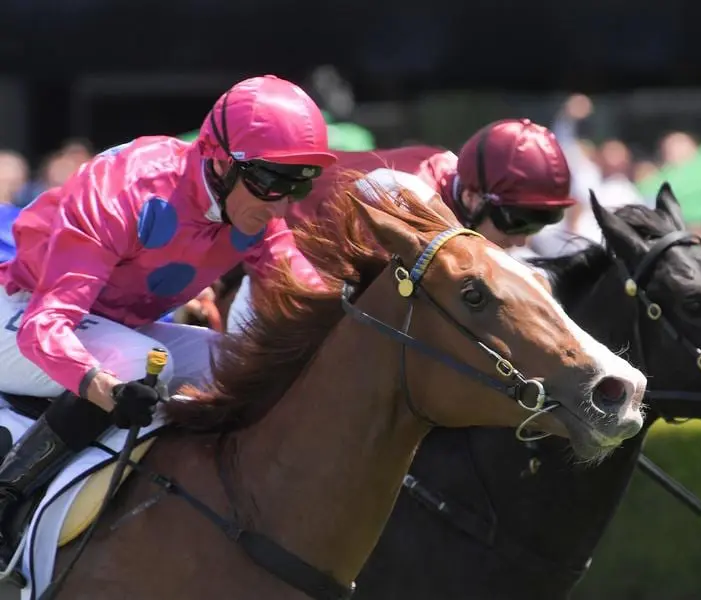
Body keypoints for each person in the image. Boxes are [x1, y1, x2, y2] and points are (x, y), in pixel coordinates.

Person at [0, 74, 336, 577]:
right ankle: (9, 502)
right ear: (221, 161)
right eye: (272, 181)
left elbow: (307, 298)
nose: (283, 204)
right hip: (22, 315)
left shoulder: (254, 208)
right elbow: (46, 327)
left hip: (110, 325)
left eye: (299, 182)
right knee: (136, 365)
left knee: (236, 362)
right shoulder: (125, 190)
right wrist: (105, 388)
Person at [225, 117, 576, 334]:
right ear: (472, 198)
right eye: (517, 220)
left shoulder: (455, 182)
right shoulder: (404, 207)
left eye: (544, 220)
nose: (523, 239)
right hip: (262, 263)